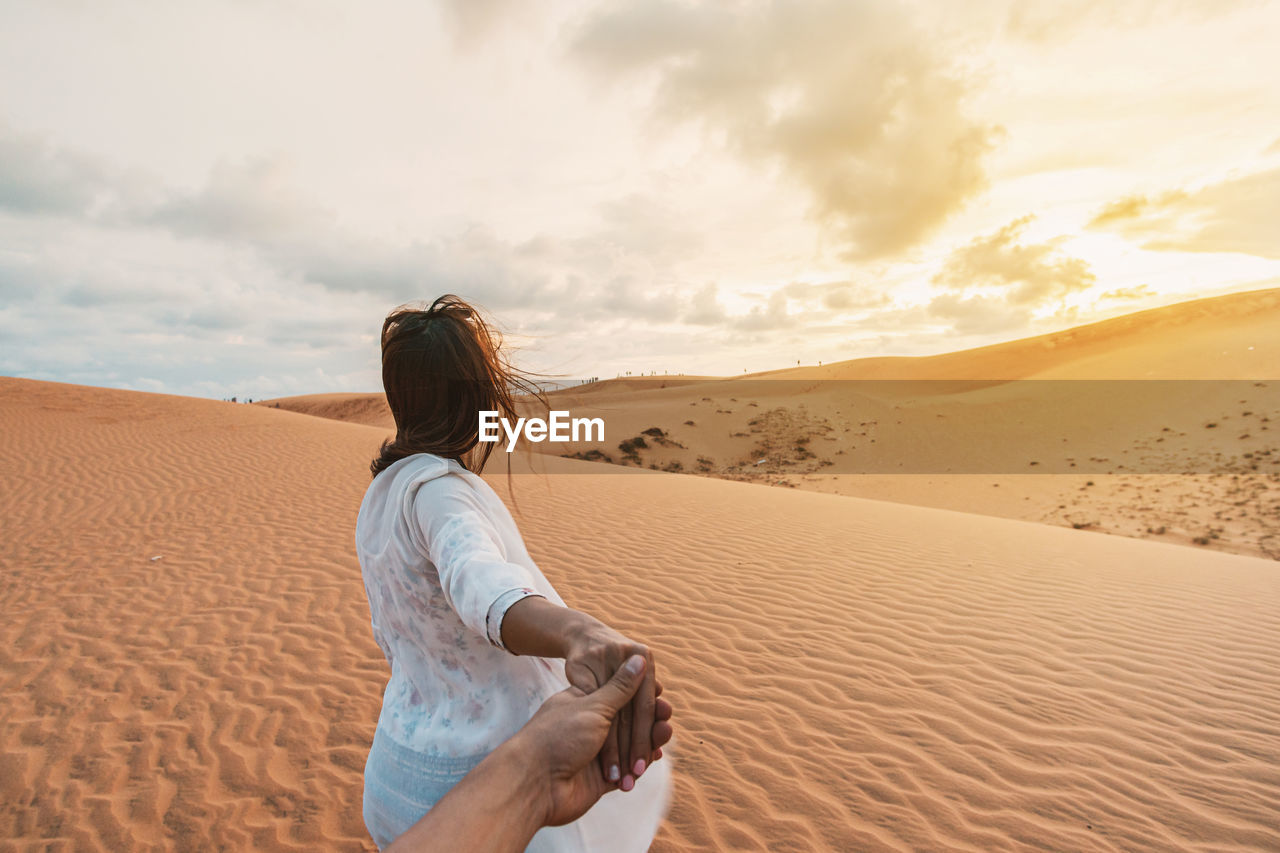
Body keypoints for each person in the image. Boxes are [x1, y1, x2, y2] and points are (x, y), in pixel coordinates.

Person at [356, 295, 672, 851]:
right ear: (475, 397)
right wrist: (580, 632)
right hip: (485, 792)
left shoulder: (381, 495)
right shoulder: (439, 494)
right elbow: (477, 580)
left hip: (397, 779)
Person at [386, 654, 672, 852]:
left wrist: (539, 779)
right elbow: (477, 581)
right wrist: (581, 632)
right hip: (473, 784)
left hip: (395, 756)